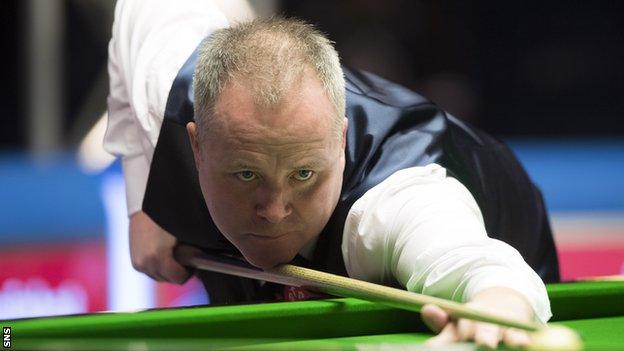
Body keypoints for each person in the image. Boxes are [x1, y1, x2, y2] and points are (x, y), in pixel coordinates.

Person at [105, 0, 559, 348]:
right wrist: (141, 192)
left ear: (339, 143)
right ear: (197, 145)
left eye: (303, 174)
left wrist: (498, 305)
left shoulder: (396, 202)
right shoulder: (165, 83)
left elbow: (477, 264)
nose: (274, 211)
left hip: (506, 219)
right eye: (245, 175)